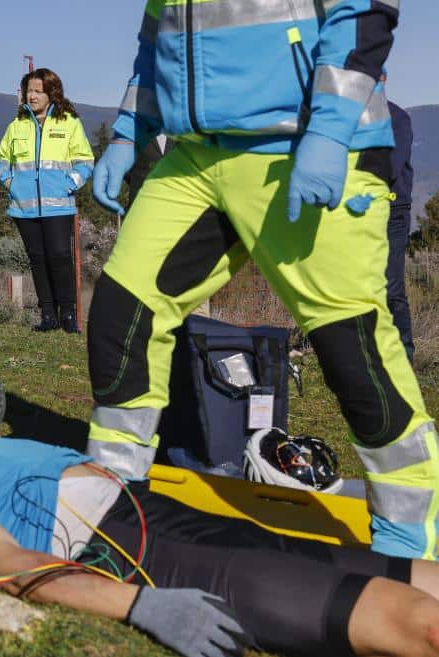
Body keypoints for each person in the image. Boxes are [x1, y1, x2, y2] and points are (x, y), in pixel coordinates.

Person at [83, 3, 437, 559]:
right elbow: (158, 40)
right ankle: (118, 501)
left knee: (351, 345)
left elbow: (363, 11)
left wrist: (327, 129)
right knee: (124, 310)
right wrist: (129, 131)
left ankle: (409, 532)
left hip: (304, 145)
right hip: (195, 157)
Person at [0, 390, 439, 657]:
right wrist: (139, 606)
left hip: (157, 513)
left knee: (427, 582)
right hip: (137, 552)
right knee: (419, 624)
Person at [0, 68, 94, 333]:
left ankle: (68, 314)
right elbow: (1, 160)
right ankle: (48, 315)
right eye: (29, 91)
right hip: (24, 208)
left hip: (58, 205)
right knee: (37, 258)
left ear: (51, 93)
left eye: (38, 91)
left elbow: (85, 160)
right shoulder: (17, 126)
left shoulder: (69, 122)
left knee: (60, 256)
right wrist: (10, 183)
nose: (33, 96)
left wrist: (70, 183)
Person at [387, 96, 415, 363]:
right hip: (358, 210)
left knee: (391, 287)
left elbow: (392, 167)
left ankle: (404, 355)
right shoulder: (351, 116)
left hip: (392, 211)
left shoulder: (396, 117)